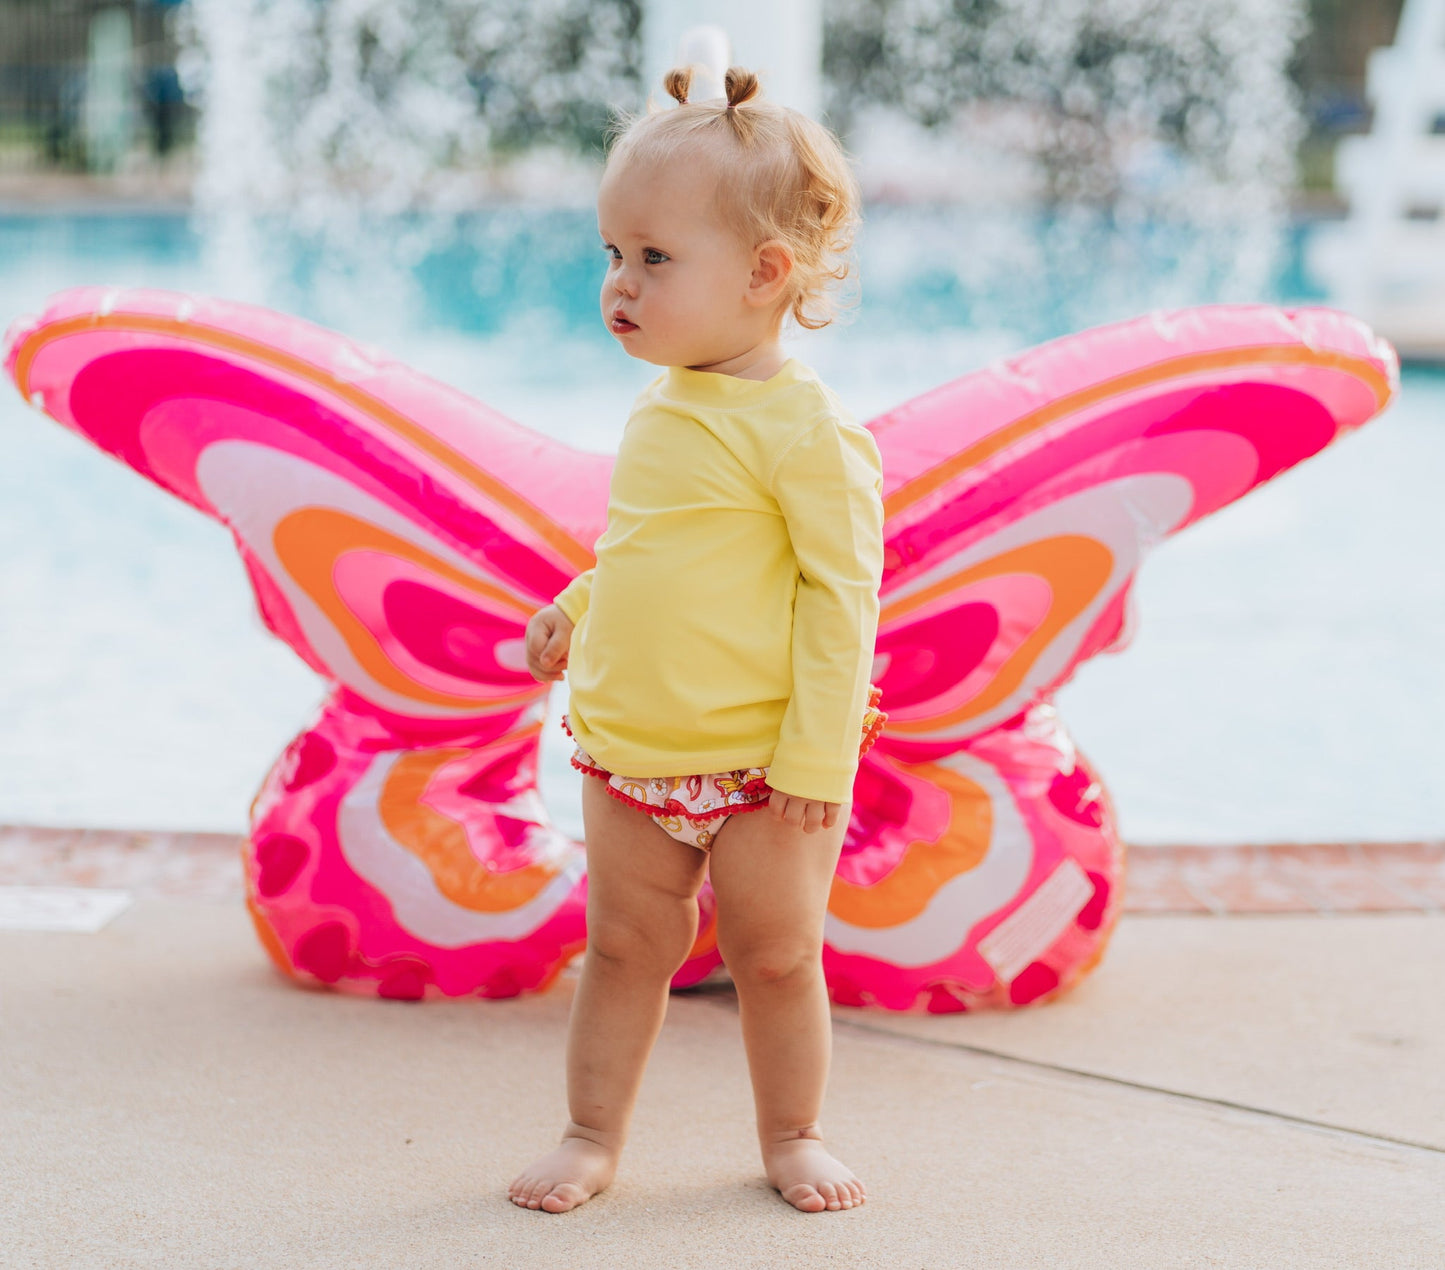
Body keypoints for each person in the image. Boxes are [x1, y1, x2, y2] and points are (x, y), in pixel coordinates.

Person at [509, 64, 885, 1216]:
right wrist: (580, 603)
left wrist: (816, 759)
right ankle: (588, 1132)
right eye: (612, 254)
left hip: (766, 766)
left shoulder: (804, 432)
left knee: (776, 958)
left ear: (765, 274)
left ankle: (794, 1132)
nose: (619, 285)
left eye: (653, 259)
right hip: (632, 748)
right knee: (622, 947)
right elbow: (653, 549)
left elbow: (839, 598)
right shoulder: (664, 403)